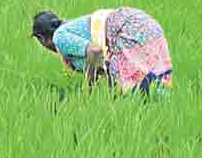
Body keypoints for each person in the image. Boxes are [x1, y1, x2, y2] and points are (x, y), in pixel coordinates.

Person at [32, 9, 172, 96]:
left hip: (128, 28)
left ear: (41, 38)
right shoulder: (73, 29)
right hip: (147, 25)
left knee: (135, 92)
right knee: (152, 90)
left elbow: (95, 51)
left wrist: (88, 89)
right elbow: (103, 63)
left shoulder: (60, 36)